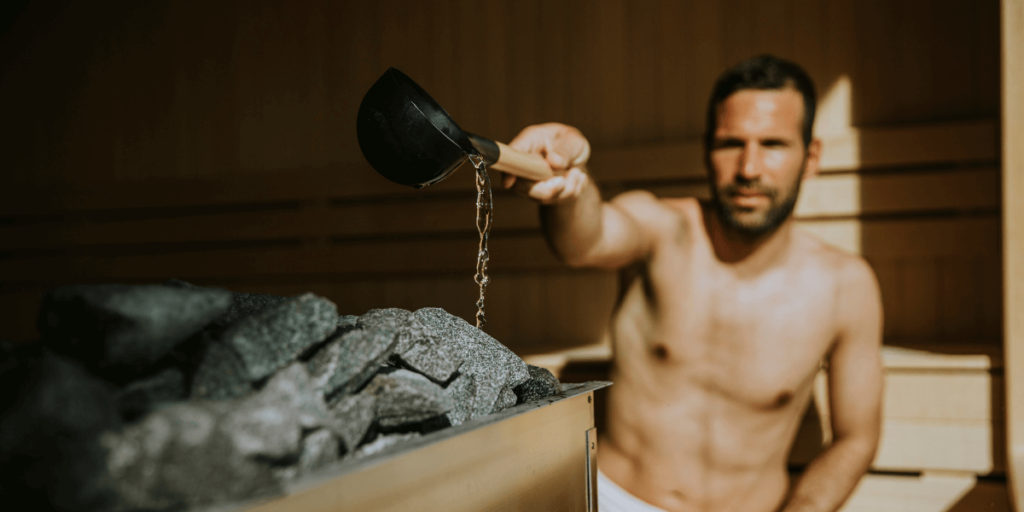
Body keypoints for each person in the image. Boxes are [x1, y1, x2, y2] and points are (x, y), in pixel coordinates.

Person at [503, 55, 883, 512]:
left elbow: (856, 437)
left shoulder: (846, 286)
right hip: (613, 500)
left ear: (811, 157)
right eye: (731, 143)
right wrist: (568, 184)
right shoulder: (662, 230)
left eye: (773, 144)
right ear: (707, 149)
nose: (749, 168)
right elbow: (585, 240)